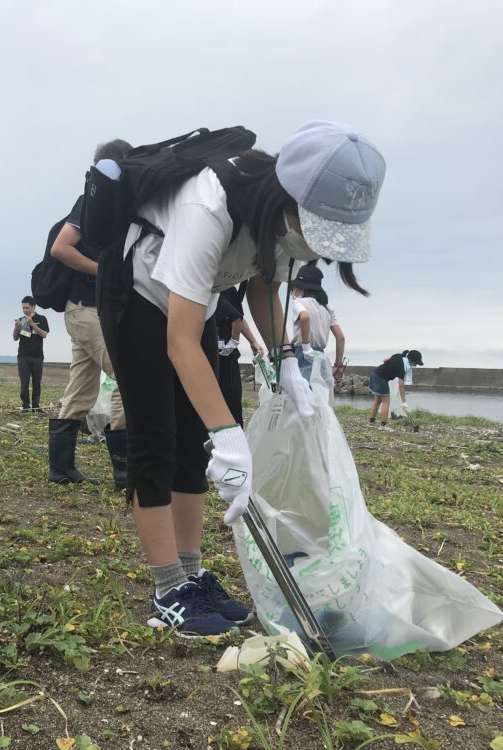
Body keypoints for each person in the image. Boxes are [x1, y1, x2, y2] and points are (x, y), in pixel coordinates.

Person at [96, 121, 386, 636]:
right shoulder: (208, 207)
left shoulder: (274, 217)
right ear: (288, 197)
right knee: (156, 440)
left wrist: (287, 363)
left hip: (198, 302)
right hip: (138, 295)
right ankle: (168, 587)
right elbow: (179, 342)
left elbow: (260, 291)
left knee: (191, 445)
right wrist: (228, 436)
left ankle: (191, 572)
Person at [48, 139, 132, 487]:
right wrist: (105, 272)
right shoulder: (91, 203)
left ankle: (61, 468)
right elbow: (60, 248)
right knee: (130, 377)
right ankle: (125, 469)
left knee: (80, 389)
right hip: (86, 310)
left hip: (90, 310)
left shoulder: (114, 205)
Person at [288, 264, 345, 383]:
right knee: (319, 396)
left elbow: (305, 317)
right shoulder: (327, 308)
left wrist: (306, 347)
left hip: (302, 353)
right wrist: (338, 365)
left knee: (301, 395)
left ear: (301, 288)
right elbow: (340, 338)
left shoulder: (298, 302)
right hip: (320, 355)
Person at [214, 286, 262, 426]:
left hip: (225, 352)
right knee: (229, 400)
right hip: (217, 350)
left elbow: (238, 317)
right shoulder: (213, 284)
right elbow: (236, 317)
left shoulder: (229, 288)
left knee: (231, 401)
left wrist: (253, 341)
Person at [368, 350, 423, 427]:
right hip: (381, 378)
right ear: (411, 360)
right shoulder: (402, 368)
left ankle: (371, 422)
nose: (416, 365)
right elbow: (401, 387)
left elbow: (385, 360)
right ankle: (384, 425)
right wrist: (404, 402)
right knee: (386, 402)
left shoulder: (398, 355)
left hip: (374, 374)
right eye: (416, 363)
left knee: (377, 400)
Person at [13, 296, 49, 411]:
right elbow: (15, 338)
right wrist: (16, 328)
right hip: (23, 356)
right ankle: (25, 406)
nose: (25, 310)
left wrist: (33, 324)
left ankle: (36, 406)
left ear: (33, 307)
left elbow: (44, 334)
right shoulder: (21, 319)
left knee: (36, 383)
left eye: (27, 307)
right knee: (24, 383)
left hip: (37, 356)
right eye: (23, 308)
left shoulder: (42, 319)